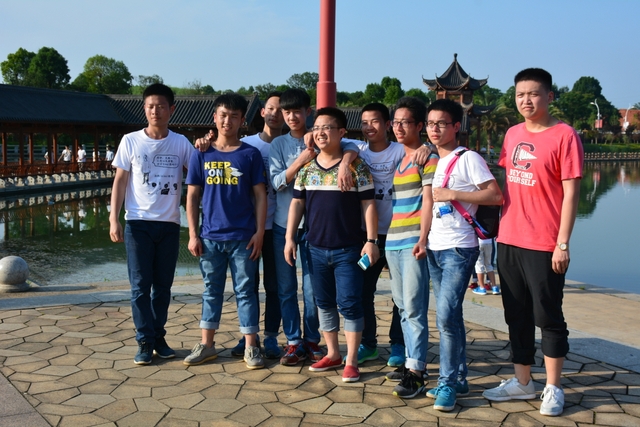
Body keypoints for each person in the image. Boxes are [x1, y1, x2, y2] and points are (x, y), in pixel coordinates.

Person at [482, 68, 583, 417]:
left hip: (544, 243)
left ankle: (553, 387)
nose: (526, 100)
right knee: (516, 315)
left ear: (549, 97)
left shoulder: (565, 135)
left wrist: (562, 243)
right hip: (509, 239)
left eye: (534, 93)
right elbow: (506, 184)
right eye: (520, 94)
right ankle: (523, 382)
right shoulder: (512, 134)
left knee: (548, 316)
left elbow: (571, 195)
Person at [284, 106, 379, 382]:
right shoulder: (307, 169)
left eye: (327, 127)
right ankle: (333, 353)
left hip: (349, 249)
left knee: (350, 303)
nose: (321, 133)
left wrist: (371, 241)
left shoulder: (357, 167)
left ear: (341, 132)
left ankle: (352, 360)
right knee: (323, 303)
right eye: (316, 128)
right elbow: (297, 204)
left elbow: (368, 205)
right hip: (314, 248)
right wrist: (290, 238)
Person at [269, 88, 359, 366]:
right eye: (286, 112)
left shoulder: (323, 134)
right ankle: (293, 341)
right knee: (286, 288)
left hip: (315, 229)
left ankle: (312, 339)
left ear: (307, 112)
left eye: (297, 111)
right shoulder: (279, 144)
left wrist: (345, 161)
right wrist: (301, 160)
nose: (291, 117)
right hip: (284, 225)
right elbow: (276, 183)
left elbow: (353, 146)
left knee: (312, 291)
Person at [109, 83, 196, 365]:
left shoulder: (181, 143)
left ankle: (158, 336)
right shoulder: (131, 141)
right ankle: (144, 340)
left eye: (161, 106)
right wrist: (113, 218)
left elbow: (198, 171)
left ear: (172, 109)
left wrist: (205, 146)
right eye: (150, 106)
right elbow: (120, 181)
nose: (155, 111)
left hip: (169, 223)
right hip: (138, 223)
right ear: (144, 109)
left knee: (163, 287)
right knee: (139, 286)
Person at [426, 98, 503, 411]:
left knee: (445, 316)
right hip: (435, 246)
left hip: (460, 247)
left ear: (456, 126)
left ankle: (446, 383)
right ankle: (458, 377)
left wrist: (453, 194)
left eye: (441, 123)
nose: (435, 129)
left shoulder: (468, 157)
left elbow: (495, 195)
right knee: (452, 315)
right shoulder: (436, 158)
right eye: (431, 123)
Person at [183, 92, 267, 370]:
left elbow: (260, 196)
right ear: (214, 117)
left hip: (243, 237)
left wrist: (259, 232)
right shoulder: (202, 153)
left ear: (243, 120)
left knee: (246, 292)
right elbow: (192, 196)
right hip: (210, 237)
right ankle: (207, 344)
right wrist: (193, 234)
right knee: (211, 291)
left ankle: (251, 346)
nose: (227, 121)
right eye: (222, 115)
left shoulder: (250, 154)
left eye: (233, 116)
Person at [352, 102, 432, 368]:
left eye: (375, 121)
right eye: (364, 122)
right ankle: (368, 343)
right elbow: (340, 145)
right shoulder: (358, 150)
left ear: (387, 124)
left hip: (400, 234)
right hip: (368, 236)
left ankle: (398, 343)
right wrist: (345, 161)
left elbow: (422, 149)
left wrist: (429, 147)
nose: (369, 127)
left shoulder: (400, 149)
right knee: (363, 291)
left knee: (403, 297)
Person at [383, 97, 439, 399]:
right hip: (393, 241)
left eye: (406, 122)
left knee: (415, 309)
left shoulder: (426, 158)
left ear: (419, 126)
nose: (399, 127)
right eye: (396, 122)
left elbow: (429, 199)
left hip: (413, 243)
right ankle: (410, 362)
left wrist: (423, 237)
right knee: (403, 308)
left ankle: (416, 374)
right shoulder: (401, 159)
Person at [225, 91, 285, 359]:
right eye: (270, 108)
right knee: (247, 287)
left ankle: (271, 336)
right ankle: (248, 335)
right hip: (246, 227)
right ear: (262, 112)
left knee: (275, 286)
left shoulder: (291, 145)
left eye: (281, 110)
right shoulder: (246, 144)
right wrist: (203, 142)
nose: (275, 114)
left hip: (278, 226)